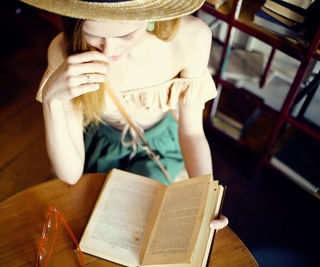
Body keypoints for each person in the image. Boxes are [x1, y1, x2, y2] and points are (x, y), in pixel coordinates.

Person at [22, 0, 228, 229]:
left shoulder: (191, 38)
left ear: (152, 14)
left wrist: (206, 197)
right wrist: (51, 102)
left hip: (162, 147)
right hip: (100, 144)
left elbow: (191, 133)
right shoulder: (62, 50)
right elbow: (70, 175)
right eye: (93, 35)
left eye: (126, 36)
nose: (109, 52)